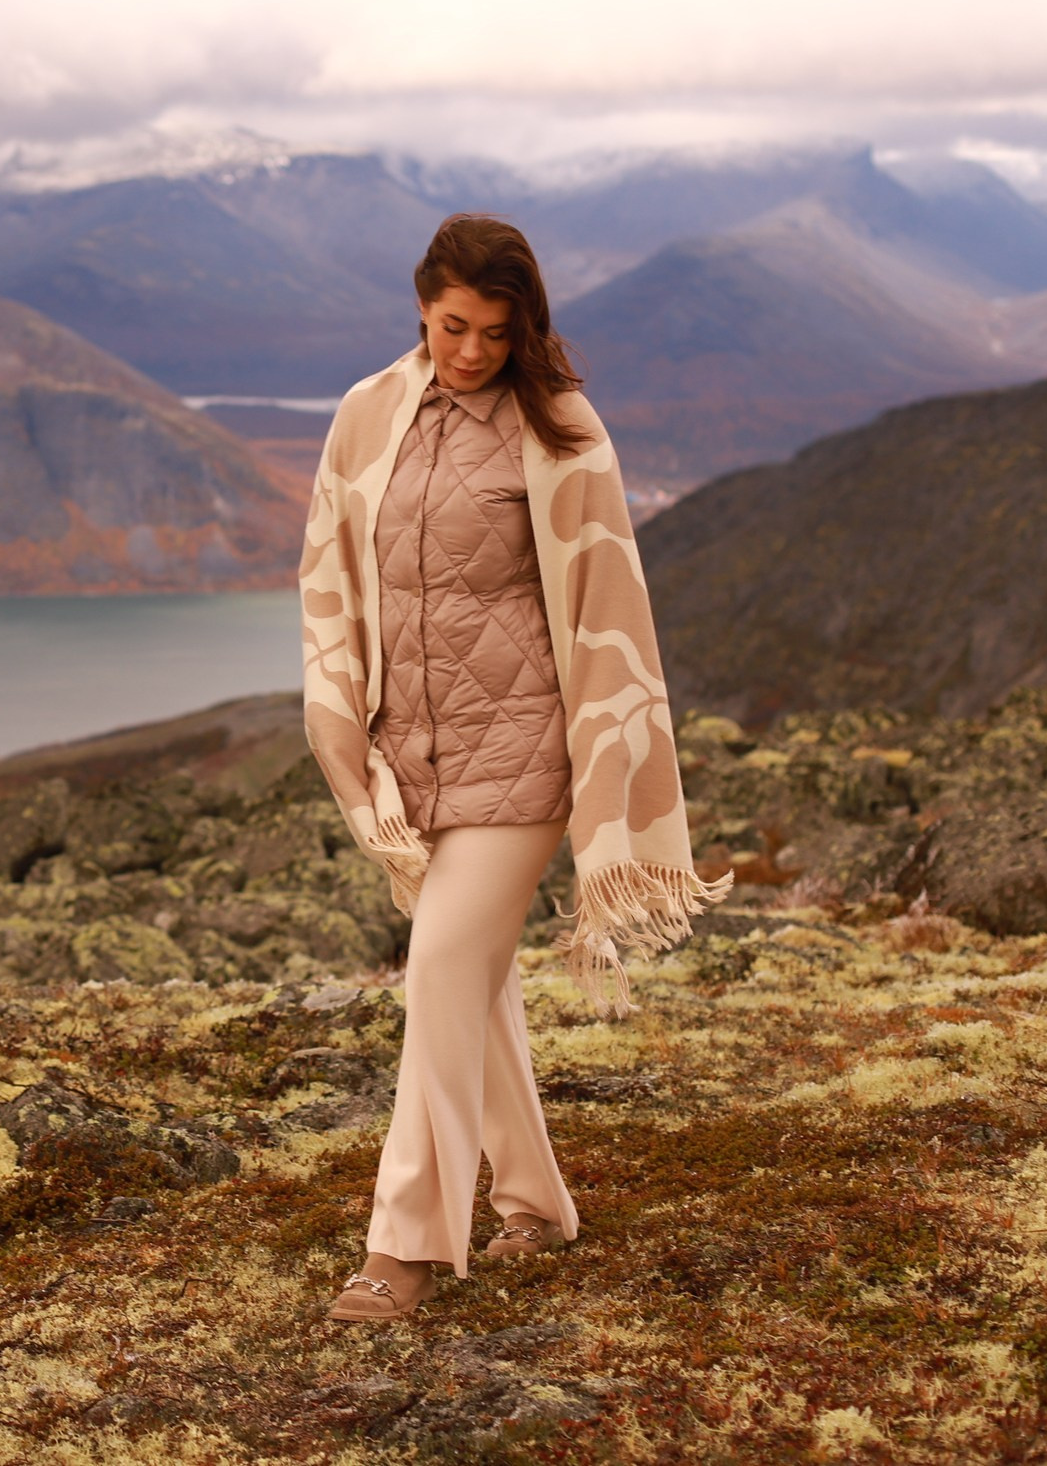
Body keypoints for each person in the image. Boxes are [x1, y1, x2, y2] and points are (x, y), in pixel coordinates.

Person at [297, 213, 727, 1322]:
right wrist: (337, 709)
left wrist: (606, 770)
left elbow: (605, 601)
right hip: (415, 754)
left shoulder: (560, 427)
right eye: (453, 325)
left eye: (495, 330)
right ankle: (535, 1198)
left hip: (531, 746)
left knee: (438, 964)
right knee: (473, 978)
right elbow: (329, 570)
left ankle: (406, 1246)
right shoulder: (366, 414)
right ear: (421, 306)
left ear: (523, 324)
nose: (472, 351)